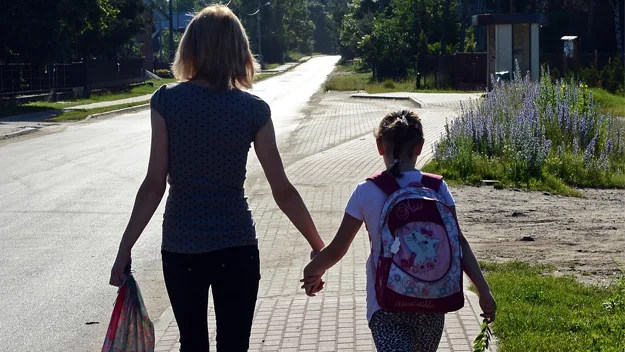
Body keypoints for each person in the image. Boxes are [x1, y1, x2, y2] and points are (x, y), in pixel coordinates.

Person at [109, 5, 325, 351]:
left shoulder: (167, 101)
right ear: (239, 50)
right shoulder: (253, 110)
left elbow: (154, 185)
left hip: (182, 246)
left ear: (191, 47)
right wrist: (318, 246)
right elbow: (282, 189)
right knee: (234, 344)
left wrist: (125, 249)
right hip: (237, 245)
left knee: (192, 342)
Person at [301, 110, 496, 352]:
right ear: (420, 146)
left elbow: (338, 249)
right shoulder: (437, 187)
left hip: (386, 303)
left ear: (379, 146)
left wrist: (312, 272)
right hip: (432, 299)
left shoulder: (366, 191)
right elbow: (460, 243)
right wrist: (483, 290)